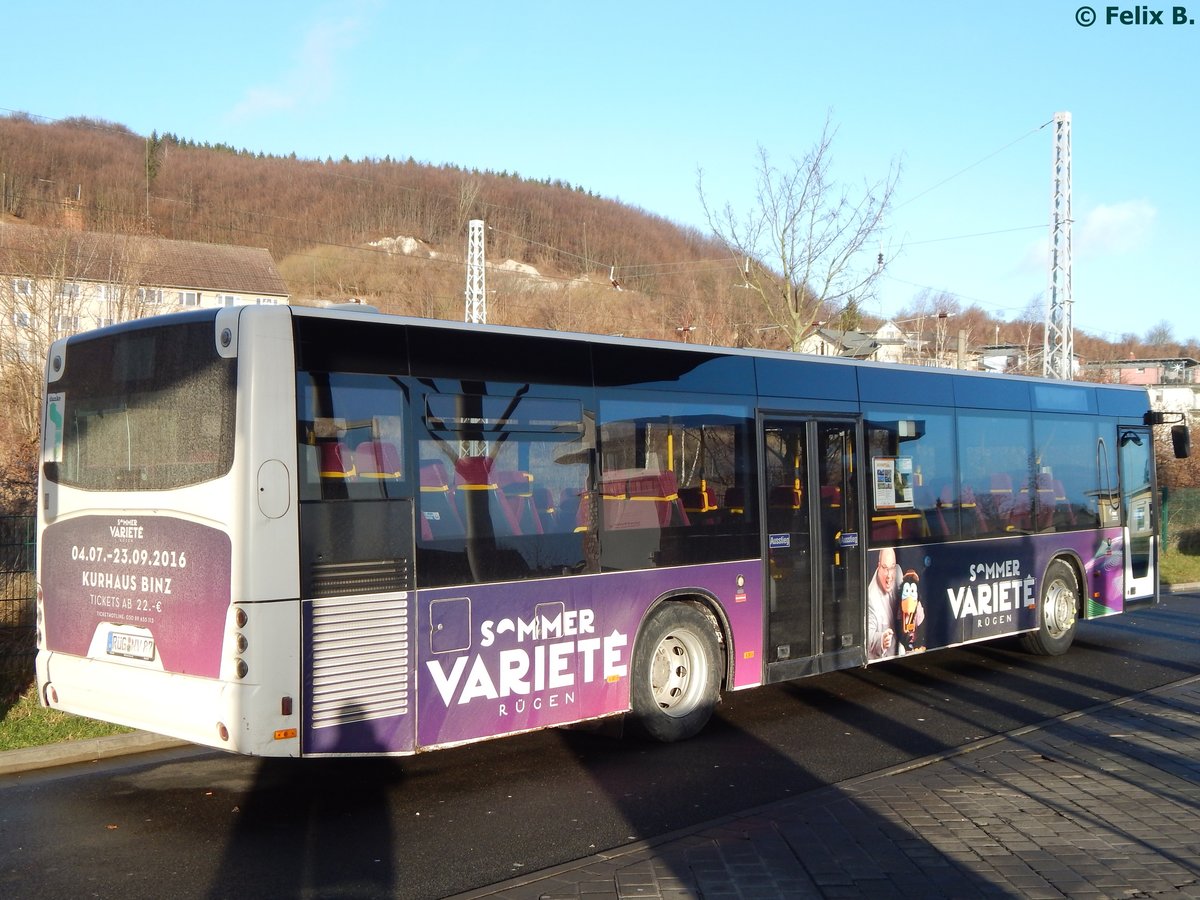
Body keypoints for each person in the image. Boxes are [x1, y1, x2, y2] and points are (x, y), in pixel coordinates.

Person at [867, 548, 924, 659]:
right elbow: (868, 636)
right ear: (879, 567)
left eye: (892, 568)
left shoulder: (898, 571)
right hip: (886, 656)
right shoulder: (871, 598)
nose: (889, 576)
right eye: (885, 568)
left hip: (903, 647)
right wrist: (882, 640)